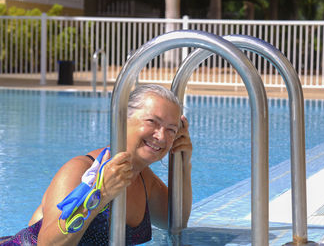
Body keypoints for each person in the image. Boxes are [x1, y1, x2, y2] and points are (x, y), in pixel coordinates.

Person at [0, 84, 193, 245]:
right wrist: (99, 195)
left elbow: (175, 221)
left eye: (171, 130)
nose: (161, 136)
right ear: (122, 119)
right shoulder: (80, 170)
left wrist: (183, 163)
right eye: (152, 121)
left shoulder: (144, 179)